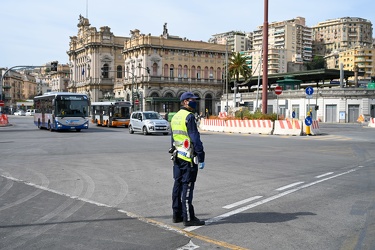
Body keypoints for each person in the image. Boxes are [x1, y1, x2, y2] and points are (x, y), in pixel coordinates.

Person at [170, 92, 205, 227]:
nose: (194, 102)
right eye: (192, 100)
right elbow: (195, 138)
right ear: (185, 102)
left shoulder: (175, 116)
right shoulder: (189, 117)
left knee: (177, 185)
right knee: (187, 185)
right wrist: (201, 155)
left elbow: (173, 138)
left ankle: (176, 215)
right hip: (188, 157)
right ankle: (188, 218)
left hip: (177, 156)